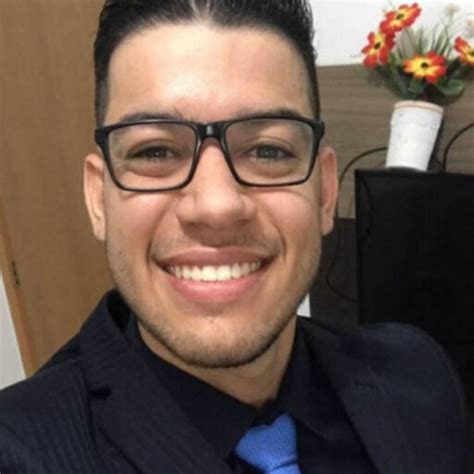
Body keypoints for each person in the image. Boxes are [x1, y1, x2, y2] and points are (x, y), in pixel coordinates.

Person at [0, 0, 470, 472]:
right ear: (98, 199)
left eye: (267, 150)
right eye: (156, 151)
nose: (217, 205)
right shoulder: (20, 451)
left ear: (326, 191)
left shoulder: (418, 374)